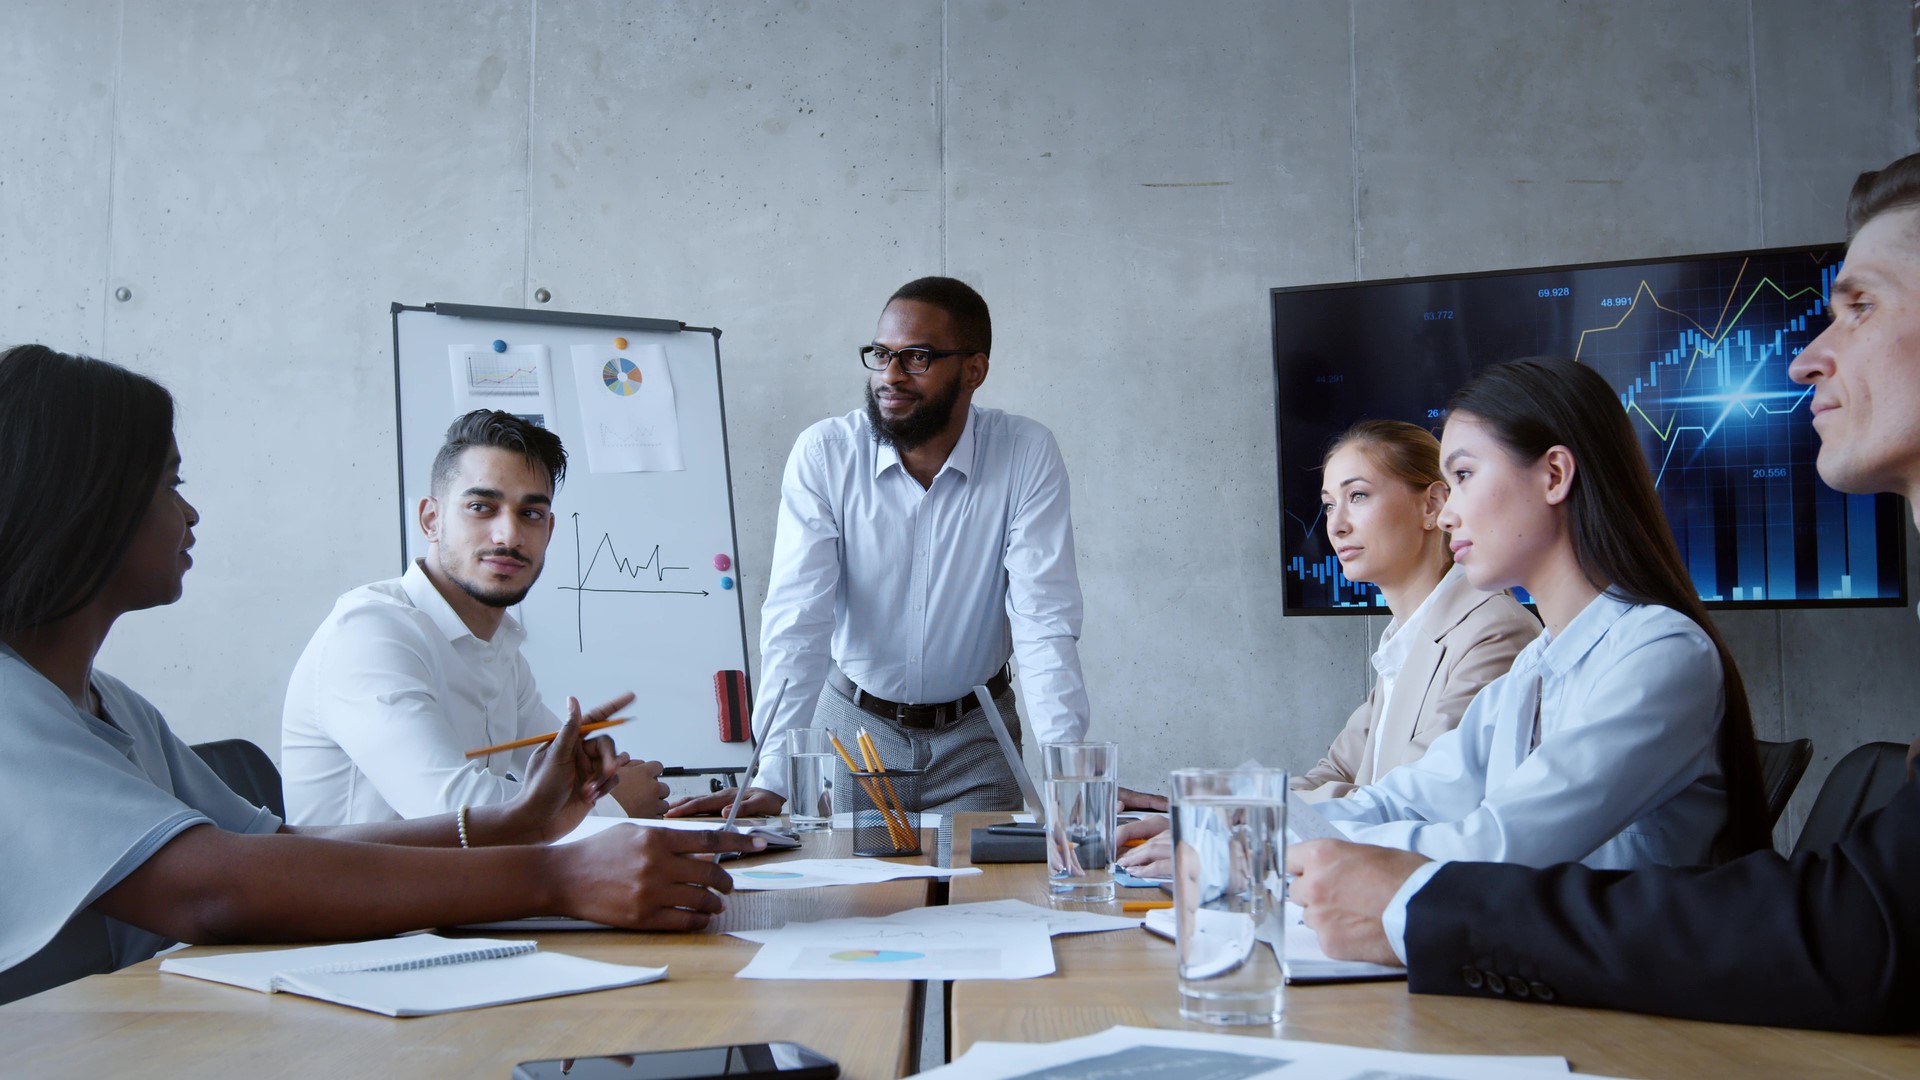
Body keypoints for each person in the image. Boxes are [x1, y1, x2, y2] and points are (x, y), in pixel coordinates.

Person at [1287, 154, 1920, 1034]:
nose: (1448, 506)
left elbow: (1505, 846)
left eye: (1463, 475)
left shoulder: (1658, 652)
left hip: (1641, 1034)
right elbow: (1408, 797)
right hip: (1574, 1007)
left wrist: (1327, 867)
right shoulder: (1539, 663)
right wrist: (1239, 824)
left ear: (1554, 475)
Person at [0, 346, 760, 1006]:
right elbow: (214, 886)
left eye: (531, 513)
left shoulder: (118, 710)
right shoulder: (370, 631)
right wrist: (556, 872)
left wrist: (526, 821)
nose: (191, 512)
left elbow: (270, 844)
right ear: (86, 499)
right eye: (170, 483)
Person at [667, 277, 1089, 818]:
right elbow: (798, 622)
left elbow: (1043, 621)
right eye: (882, 354)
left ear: (974, 370)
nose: (890, 375)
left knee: (982, 891)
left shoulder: (1026, 454)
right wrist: (772, 775)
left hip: (978, 736)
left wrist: (1069, 774)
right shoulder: (826, 453)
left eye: (916, 358)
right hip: (856, 730)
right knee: (863, 891)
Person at [1117, 420, 1539, 877]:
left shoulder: (1492, 631)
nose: (1335, 526)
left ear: (1433, 506)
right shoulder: (1406, 638)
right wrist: (1197, 814)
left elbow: (1407, 801)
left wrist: (1226, 830)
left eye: (1357, 497)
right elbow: (1333, 775)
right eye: (1328, 505)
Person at [281, 410, 670, 825]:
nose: (509, 535)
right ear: (432, 520)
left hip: (470, 885)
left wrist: (592, 777)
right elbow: (451, 809)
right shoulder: (369, 634)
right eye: (482, 507)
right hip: (364, 890)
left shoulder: (501, 650)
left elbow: (554, 775)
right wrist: (611, 803)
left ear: (549, 530)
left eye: (531, 514)